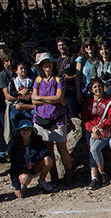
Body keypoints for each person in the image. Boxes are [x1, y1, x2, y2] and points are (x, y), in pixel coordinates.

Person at [31, 53, 73, 182]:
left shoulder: (58, 79)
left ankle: (69, 173)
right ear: (41, 66)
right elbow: (33, 100)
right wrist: (52, 100)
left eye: (49, 62)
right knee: (48, 148)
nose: (47, 65)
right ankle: (53, 175)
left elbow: (58, 97)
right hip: (42, 120)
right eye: (44, 63)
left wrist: (41, 98)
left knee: (62, 147)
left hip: (58, 118)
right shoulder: (38, 80)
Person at [81, 78, 111, 189]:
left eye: (99, 86)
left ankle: (102, 174)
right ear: (91, 90)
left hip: (104, 131)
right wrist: (92, 129)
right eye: (95, 87)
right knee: (91, 150)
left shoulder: (110, 101)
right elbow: (85, 118)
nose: (98, 89)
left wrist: (100, 127)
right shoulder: (88, 102)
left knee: (94, 149)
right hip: (91, 131)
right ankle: (94, 178)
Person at [9, 120, 55, 199]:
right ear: (19, 131)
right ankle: (22, 184)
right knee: (25, 179)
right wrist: (17, 187)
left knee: (48, 159)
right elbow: (13, 165)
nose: (26, 132)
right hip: (22, 168)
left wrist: (33, 160)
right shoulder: (14, 143)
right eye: (23, 130)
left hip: (35, 165)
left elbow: (45, 152)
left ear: (31, 131)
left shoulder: (37, 139)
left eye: (28, 129)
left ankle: (42, 180)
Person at [54, 37, 79, 118]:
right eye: (59, 45)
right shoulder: (56, 61)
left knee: (73, 117)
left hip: (71, 93)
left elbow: (79, 75)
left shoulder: (73, 59)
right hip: (60, 93)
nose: (61, 47)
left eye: (63, 45)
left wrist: (70, 77)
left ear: (67, 46)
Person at [7, 61, 35, 131]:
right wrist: (19, 92)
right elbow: (11, 92)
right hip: (17, 102)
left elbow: (33, 90)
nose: (23, 70)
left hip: (28, 102)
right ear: (16, 71)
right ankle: (14, 131)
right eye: (21, 68)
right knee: (13, 116)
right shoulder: (14, 81)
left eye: (25, 68)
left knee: (35, 114)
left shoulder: (30, 80)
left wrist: (29, 94)